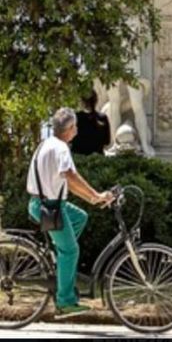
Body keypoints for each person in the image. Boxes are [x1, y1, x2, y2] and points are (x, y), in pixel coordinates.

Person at [26, 107, 115, 316]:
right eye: (75, 126)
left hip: (47, 204)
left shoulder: (48, 143)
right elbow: (71, 177)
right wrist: (96, 196)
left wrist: (93, 199)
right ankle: (65, 302)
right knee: (71, 251)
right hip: (49, 208)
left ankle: (63, 263)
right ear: (69, 128)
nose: (77, 129)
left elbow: (69, 182)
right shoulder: (61, 148)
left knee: (80, 218)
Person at [70, 91, 110, 156]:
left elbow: (70, 140)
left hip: (79, 160)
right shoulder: (102, 118)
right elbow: (107, 141)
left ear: (82, 102)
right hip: (97, 159)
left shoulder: (75, 118)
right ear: (96, 101)